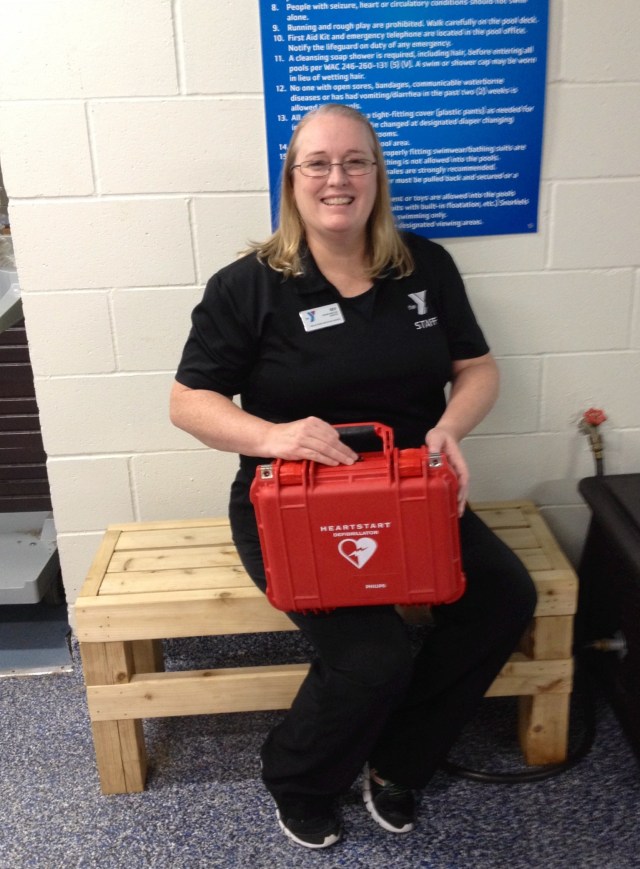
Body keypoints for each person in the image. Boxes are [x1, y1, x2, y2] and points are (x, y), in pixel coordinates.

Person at [170, 103, 537, 849]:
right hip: (294, 510)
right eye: (318, 162)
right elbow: (187, 401)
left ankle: (399, 758)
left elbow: (477, 367)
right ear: (292, 178)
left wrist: (448, 427)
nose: (337, 178)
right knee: (374, 655)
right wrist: (273, 435)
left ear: (377, 175)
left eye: (355, 161)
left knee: (504, 597)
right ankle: (299, 777)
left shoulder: (423, 265)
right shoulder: (248, 286)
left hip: (409, 494)